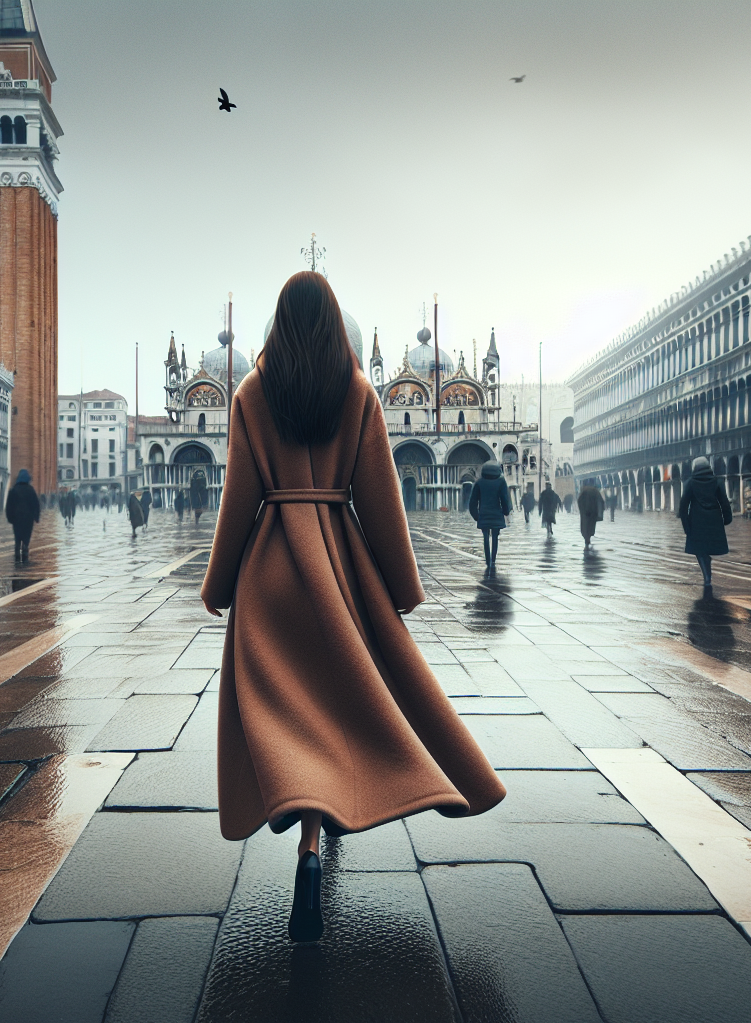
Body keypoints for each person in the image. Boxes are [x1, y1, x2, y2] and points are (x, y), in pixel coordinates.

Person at [201, 272, 504, 944]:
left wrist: (218, 583)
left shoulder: (251, 393)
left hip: (271, 569)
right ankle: (314, 845)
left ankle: (308, 832)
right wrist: (399, 584)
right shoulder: (359, 391)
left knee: (289, 712)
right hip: (337, 562)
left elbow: (238, 495)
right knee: (336, 705)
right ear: (338, 327)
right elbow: (379, 494)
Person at [678, 456, 732, 590]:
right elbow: (724, 502)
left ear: (695, 468)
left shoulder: (690, 483)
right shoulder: (717, 482)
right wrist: (727, 518)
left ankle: (707, 575)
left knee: (698, 549)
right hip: (714, 519)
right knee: (706, 546)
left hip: (696, 520)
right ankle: (707, 571)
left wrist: (686, 526)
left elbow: (683, 506)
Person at [468, 459, 510, 574]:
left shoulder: (479, 482)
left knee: (485, 537)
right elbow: (505, 499)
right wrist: (506, 511)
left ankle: (488, 560)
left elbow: (473, 502)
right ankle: (493, 560)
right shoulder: (501, 482)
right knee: (495, 537)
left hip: (484, 514)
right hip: (497, 514)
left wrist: (476, 516)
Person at [5, 469, 40, 564]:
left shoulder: (13, 490)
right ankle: (25, 551)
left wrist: (9, 518)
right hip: (28, 519)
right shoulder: (30, 490)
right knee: (26, 536)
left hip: (16, 518)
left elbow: (9, 506)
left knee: (17, 536)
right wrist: (36, 517)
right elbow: (36, 504)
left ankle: (17, 553)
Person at [576, 479, 605, 549]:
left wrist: (582, 510)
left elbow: (579, 501)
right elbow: (601, 501)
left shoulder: (584, 492)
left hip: (585, 513)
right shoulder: (595, 491)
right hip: (593, 512)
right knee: (591, 525)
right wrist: (600, 511)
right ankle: (589, 536)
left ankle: (586, 538)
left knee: (585, 525)